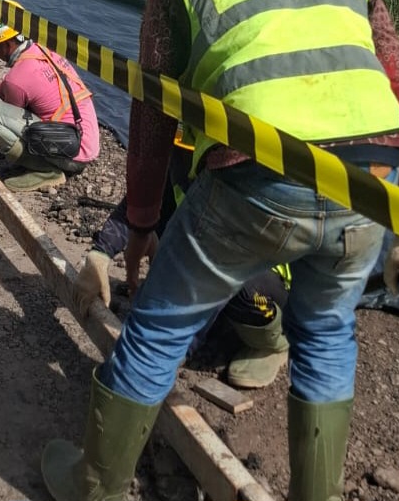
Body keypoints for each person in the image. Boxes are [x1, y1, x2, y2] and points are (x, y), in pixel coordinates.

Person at [41, 0, 399, 501]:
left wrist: (139, 224)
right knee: (327, 336)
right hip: (372, 180)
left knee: (158, 329)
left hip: (261, 178)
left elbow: (151, 112)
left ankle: (94, 487)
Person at [73, 134, 292, 389]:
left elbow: (220, 267)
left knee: (238, 292)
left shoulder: (240, 182)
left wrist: (176, 347)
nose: (182, 160)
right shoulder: (187, 157)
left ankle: (276, 342)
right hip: (209, 260)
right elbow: (143, 201)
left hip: (264, 280)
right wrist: (101, 253)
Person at [0, 5, 99, 192]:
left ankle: (46, 170)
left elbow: (10, 111)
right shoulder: (44, 49)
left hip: (69, 155)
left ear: (6, 44)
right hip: (84, 142)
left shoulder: (17, 78)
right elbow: (20, 81)